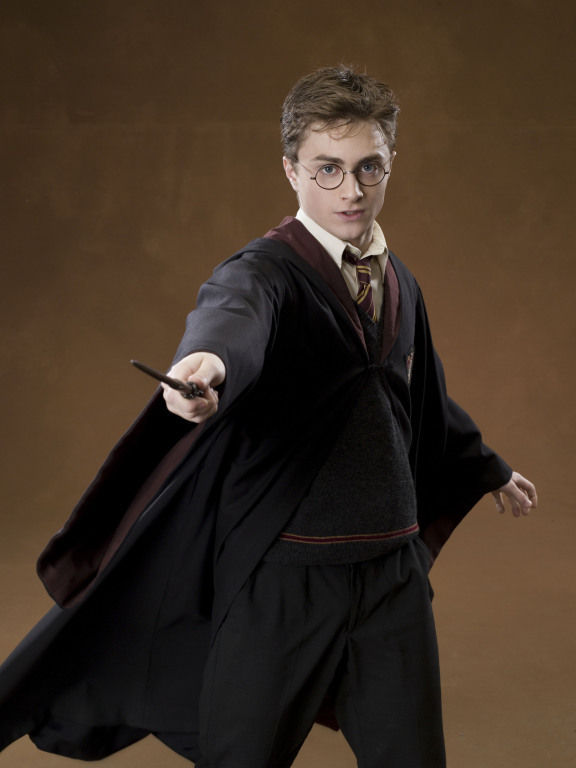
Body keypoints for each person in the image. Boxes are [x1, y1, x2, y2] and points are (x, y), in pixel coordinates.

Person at [0, 66, 536, 767]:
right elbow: (232, 324)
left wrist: (486, 467)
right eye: (327, 169)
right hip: (285, 578)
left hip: (392, 576)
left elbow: (414, 396)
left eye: (368, 167)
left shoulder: (398, 279)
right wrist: (204, 369)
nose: (350, 189)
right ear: (291, 171)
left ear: (389, 165)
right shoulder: (261, 273)